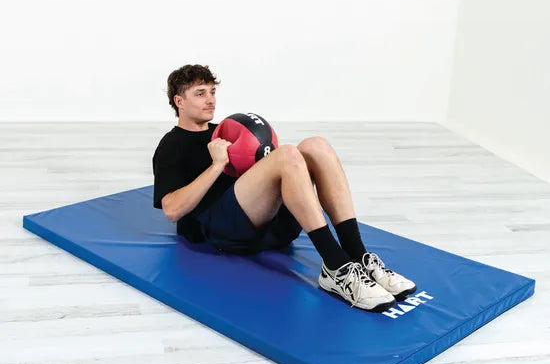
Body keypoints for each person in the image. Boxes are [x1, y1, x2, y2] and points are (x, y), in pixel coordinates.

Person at [152, 64, 416, 312]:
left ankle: (357, 255)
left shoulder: (226, 130)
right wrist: (217, 165)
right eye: (200, 94)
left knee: (316, 145)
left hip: (272, 229)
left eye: (212, 92)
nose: (210, 100)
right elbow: (172, 210)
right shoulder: (171, 145)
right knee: (288, 154)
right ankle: (336, 266)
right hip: (225, 232)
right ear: (179, 101)